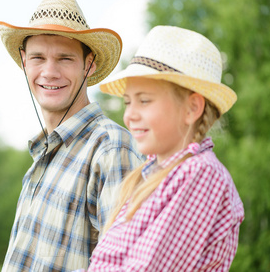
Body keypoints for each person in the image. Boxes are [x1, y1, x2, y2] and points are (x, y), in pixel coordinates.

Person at [0, 0, 144, 271]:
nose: (49, 72)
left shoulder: (111, 148)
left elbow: (126, 265)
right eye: (38, 57)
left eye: (64, 58)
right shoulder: (43, 155)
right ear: (24, 62)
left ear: (89, 65)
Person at [81, 25, 244, 271]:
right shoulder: (149, 175)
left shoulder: (201, 174)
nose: (129, 116)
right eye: (127, 102)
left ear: (191, 109)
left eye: (144, 101)